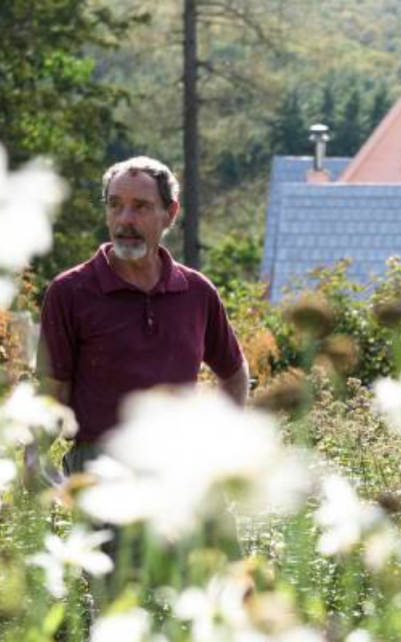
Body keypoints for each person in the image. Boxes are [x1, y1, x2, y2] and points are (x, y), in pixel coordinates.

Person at [26, 156, 249, 488]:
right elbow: (52, 390)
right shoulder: (70, 292)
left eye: (140, 207)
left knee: (221, 543)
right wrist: (35, 455)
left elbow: (234, 375)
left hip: (182, 466)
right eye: (115, 206)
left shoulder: (197, 292)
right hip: (102, 468)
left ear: (169, 213)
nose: (124, 220)